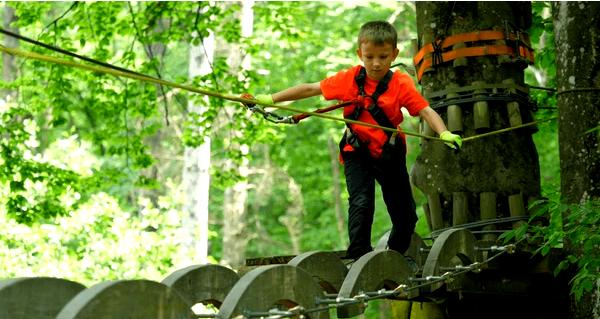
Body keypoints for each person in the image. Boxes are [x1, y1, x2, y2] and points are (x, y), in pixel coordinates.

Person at [246, 20, 461, 261]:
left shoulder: (400, 83)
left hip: (390, 152)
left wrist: (444, 133)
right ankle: (359, 256)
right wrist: (270, 99)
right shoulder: (349, 79)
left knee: (406, 216)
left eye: (383, 56)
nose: (376, 63)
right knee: (361, 201)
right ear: (360, 54)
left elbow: (425, 111)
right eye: (369, 57)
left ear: (394, 54)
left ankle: (394, 256)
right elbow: (310, 89)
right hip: (356, 150)